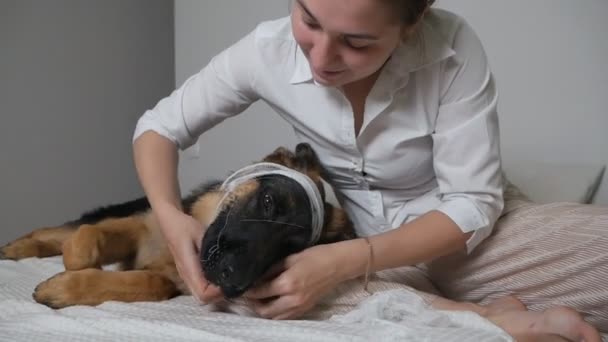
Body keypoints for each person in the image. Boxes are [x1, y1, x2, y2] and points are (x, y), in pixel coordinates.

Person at [132, 0, 606, 340]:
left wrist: (349, 259)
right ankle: (484, 317)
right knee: (247, 283)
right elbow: (159, 129)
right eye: (309, 20)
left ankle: (456, 308)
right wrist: (172, 220)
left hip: (471, 243)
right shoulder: (265, 51)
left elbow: (473, 204)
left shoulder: (452, 46)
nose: (320, 59)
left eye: (356, 42)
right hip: (356, 266)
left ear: (414, 20)